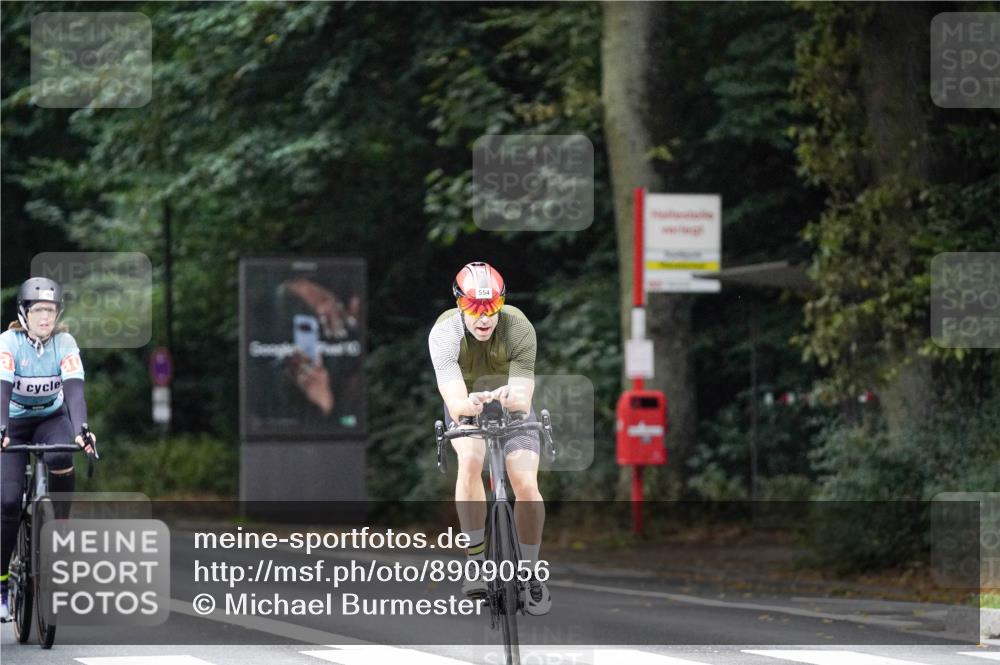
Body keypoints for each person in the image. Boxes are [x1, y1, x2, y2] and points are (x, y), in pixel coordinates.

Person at [427, 262, 551, 616]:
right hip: (467, 403)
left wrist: (507, 397)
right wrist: (473, 402)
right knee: (469, 461)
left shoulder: (519, 327)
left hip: (512, 404)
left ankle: (530, 572)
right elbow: (453, 399)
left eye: (492, 309)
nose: (484, 318)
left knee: (526, 483)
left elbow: (523, 395)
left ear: (502, 304)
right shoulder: (444, 334)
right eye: (474, 309)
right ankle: (476, 559)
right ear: (458, 305)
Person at [0, 277, 96, 621]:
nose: (46, 317)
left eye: (51, 310)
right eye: (39, 310)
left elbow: (74, 391)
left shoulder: (64, 342)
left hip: (50, 417)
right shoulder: (8, 343)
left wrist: (82, 428)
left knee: (60, 454)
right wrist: (1, 429)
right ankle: (1, 582)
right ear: (24, 313)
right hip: (11, 419)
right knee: (8, 503)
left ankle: (62, 526)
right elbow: (3, 389)